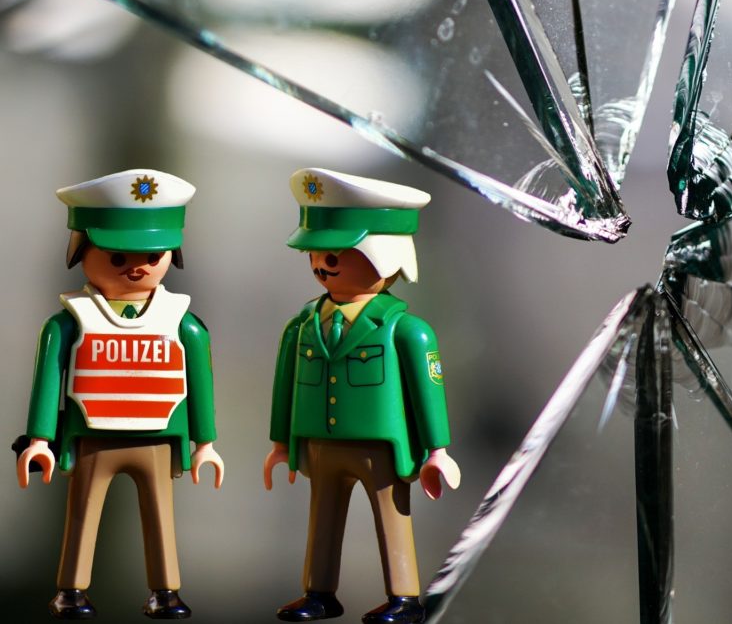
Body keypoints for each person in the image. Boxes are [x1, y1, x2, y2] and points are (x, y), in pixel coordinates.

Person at [16, 169, 224, 620]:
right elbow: (48, 378)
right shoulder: (70, 320)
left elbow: (199, 380)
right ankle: (71, 590)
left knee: (160, 514)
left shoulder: (180, 320)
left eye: (152, 254)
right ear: (81, 251)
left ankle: (165, 591)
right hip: (93, 436)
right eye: (117, 256)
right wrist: (40, 439)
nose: (137, 267)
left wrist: (205, 443)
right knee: (82, 513)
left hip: (157, 436)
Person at [264, 168, 460, 624]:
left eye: (335, 254)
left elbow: (427, 389)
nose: (322, 265)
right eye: (315, 254)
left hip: (380, 446)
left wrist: (438, 450)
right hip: (320, 442)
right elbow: (284, 383)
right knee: (322, 519)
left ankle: (404, 598)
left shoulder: (405, 329)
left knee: (391, 515)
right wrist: (281, 443)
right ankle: (318, 593)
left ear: (383, 255)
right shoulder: (302, 325)